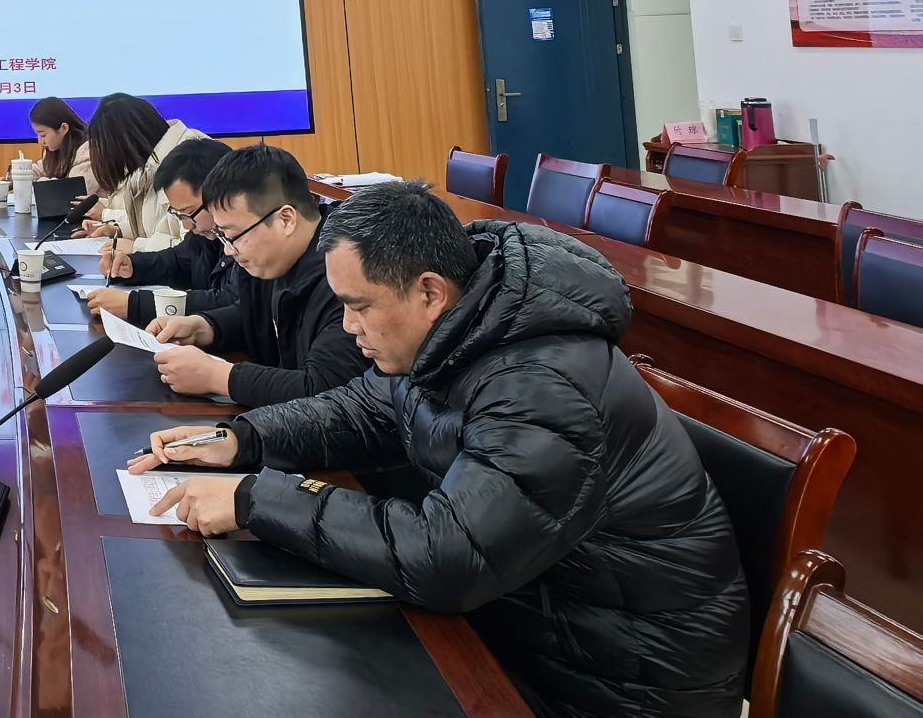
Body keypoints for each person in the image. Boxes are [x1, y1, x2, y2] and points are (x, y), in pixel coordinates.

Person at [133, 182, 749, 718]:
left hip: (617, 686)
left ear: (429, 292)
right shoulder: (462, 324)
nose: (348, 327)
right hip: (531, 628)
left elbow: (448, 555)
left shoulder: (543, 385)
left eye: (358, 306)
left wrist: (257, 499)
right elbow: (361, 408)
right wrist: (241, 438)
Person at [142, 144, 367, 408]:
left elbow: (325, 390)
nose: (228, 250)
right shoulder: (276, 259)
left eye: (233, 235)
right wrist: (202, 327)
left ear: (286, 219)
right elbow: (256, 314)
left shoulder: (346, 276)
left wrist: (218, 378)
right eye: (222, 236)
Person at [84, 137, 231, 323]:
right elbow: (178, 262)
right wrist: (134, 266)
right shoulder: (206, 233)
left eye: (188, 212)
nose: (187, 226)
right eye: (178, 215)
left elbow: (231, 302)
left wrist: (135, 305)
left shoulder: (245, 240)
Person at [72, 93, 206, 252]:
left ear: (124, 144)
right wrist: (118, 231)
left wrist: (136, 246)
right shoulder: (148, 159)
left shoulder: (188, 162)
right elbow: (156, 224)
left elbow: (194, 249)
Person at [29, 96, 90, 184]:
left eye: (43, 135)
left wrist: (41, 181)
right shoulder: (54, 149)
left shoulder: (88, 151)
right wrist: (19, 174)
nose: (40, 141)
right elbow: (40, 169)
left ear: (64, 128)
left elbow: (75, 188)